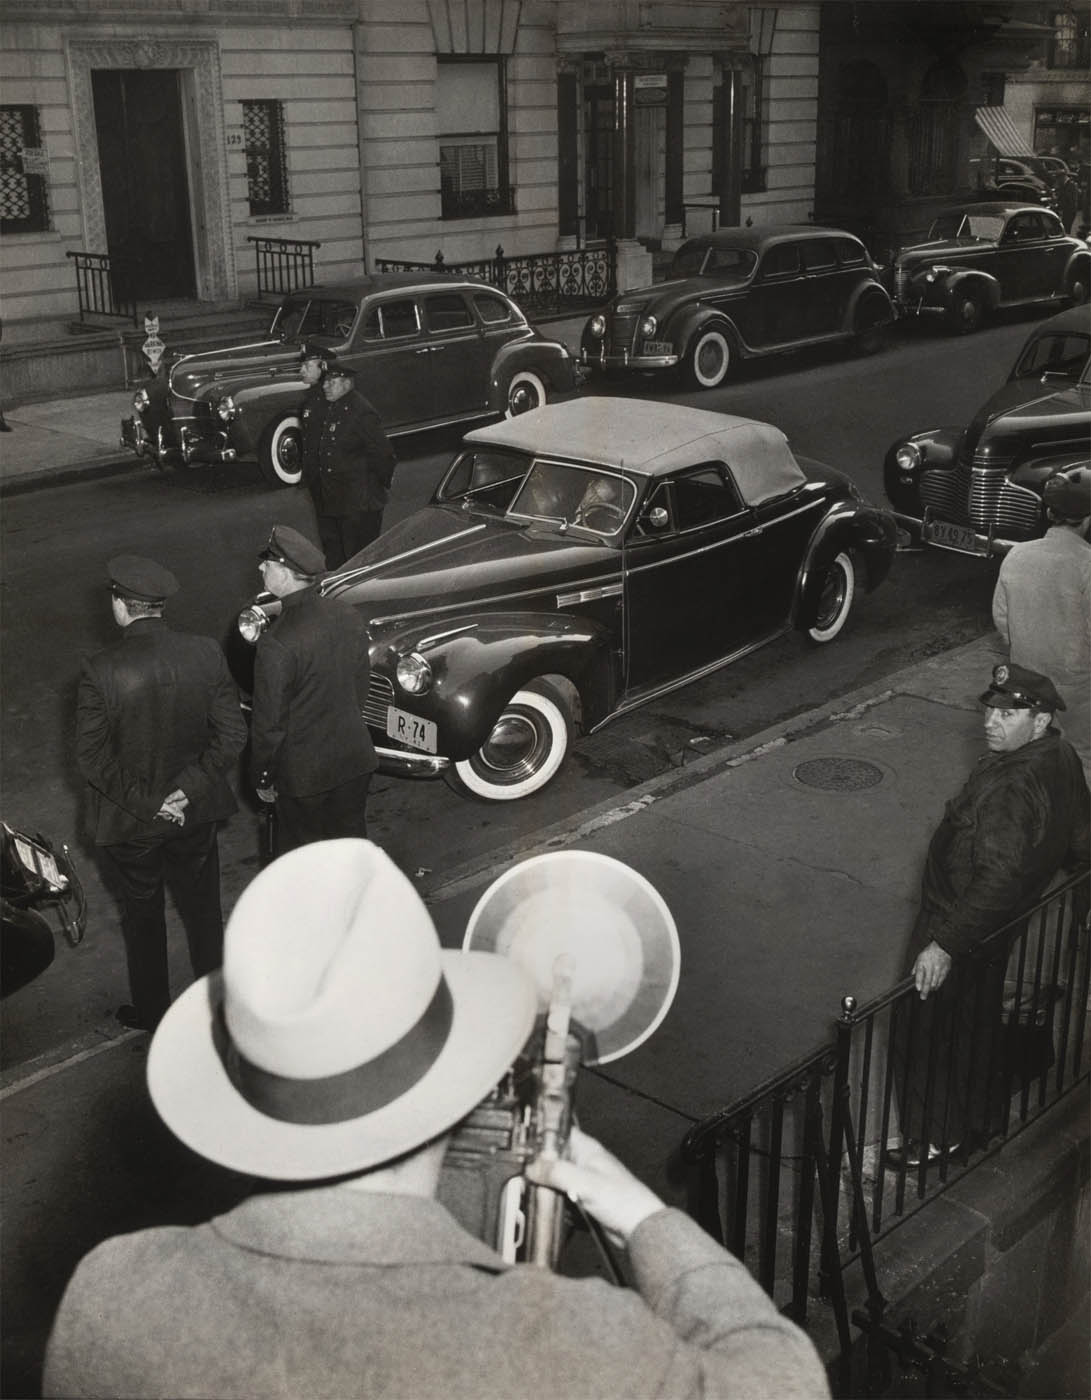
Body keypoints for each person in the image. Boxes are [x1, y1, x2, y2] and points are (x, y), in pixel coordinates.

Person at [43, 839, 830, 1400]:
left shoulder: (111, 1298)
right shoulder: (573, 1346)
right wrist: (646, 1220)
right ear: (461, 1082)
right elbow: (783, 1380)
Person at [887, 663, 1090, 1169]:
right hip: (1000, 924)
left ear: (1039, 720)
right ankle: (976, 1123)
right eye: (991, 709)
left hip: (958, 918)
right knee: (974, 1022)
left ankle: (933, 1138)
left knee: (922, 1027)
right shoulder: (1060, 755)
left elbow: (996, 877)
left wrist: (944, 944)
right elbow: (1081, 836)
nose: (991, 721)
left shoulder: (1012, 786)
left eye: (1009, 712)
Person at [75, 555, 246, 1031]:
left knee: (143, 917)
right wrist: (185, 792)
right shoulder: (205, 652)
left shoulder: (99, 670)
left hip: (133, 822)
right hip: (195, 813)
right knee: (204, 912)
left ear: (120, 606)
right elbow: (231, 736)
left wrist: (153, 803)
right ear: (158, 606)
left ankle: (154, 1014)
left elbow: (93, 760)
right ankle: (222, 1008)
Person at [250, 525, 377, 853]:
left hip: (305, 779)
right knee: (351, 853)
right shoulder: (347, 614)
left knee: (304, 864)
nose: (261, 568)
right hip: (354, 760)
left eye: (268, 563)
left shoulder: (276, 641)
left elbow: (270, 725)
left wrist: (263, 777)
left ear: (286, 573)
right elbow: (359, 686)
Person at [992, 471, 1091, 783]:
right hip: (1075, 684)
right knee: (1081, 755)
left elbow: (1002, 617)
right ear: (1087, 519)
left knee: (1027, 754)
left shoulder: (1017, 555)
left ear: (1049, 513)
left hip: (1026, 677)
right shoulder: (1086, 563)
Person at [314, 363, 397, 567]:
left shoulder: (361, 412)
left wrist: (376, 487)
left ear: (346, 383)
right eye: (324, 381)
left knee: (360, 562)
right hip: (342, 501)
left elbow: (384, 454)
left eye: (331, 381)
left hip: (360, 503)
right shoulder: (336, 407)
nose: (325, 386)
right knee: (344, 559)